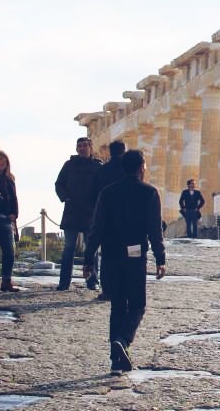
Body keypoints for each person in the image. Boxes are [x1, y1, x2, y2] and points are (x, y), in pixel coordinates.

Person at [82, 149, 166, 373]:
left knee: (117, 305)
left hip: (111, 255)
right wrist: (161, 258)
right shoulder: (149, 192)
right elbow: (154, 229)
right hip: (135, 256)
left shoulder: (108, 193)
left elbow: (96, 228)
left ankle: (115, 360)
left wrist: (89, 258)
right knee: (137, 304)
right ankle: (124, 340)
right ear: (141, 168)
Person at [54, 136, 103, 291]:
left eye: (85, 145)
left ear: (90, 148)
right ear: (76, 148)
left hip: (90, 213)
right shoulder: (69, 165)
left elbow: (102, 188)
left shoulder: (97, 166)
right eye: (79, 145)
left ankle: (92, 280)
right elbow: (59, 184)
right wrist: (65, 197)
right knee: (68, 248)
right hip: (72, 212)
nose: (82, 148)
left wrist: (97, 204)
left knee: (91, 248)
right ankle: (64, 283)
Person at [90, 140, 127, 301]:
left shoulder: (101, 171)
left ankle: (108, 290)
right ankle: (123, 289)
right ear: (124, 151)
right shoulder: (128, 170)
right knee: (126, 255)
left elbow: (93, 194)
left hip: (106, 218)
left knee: (107, 257)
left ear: (110, 152)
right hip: (126, 218)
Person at [0, 150, 20, 292]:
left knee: (9, 252)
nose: (1, 161)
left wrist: (15, 214)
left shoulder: (10, 178)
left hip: (6, 219)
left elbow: (14, 197)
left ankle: (6, 281)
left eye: (4, 159)